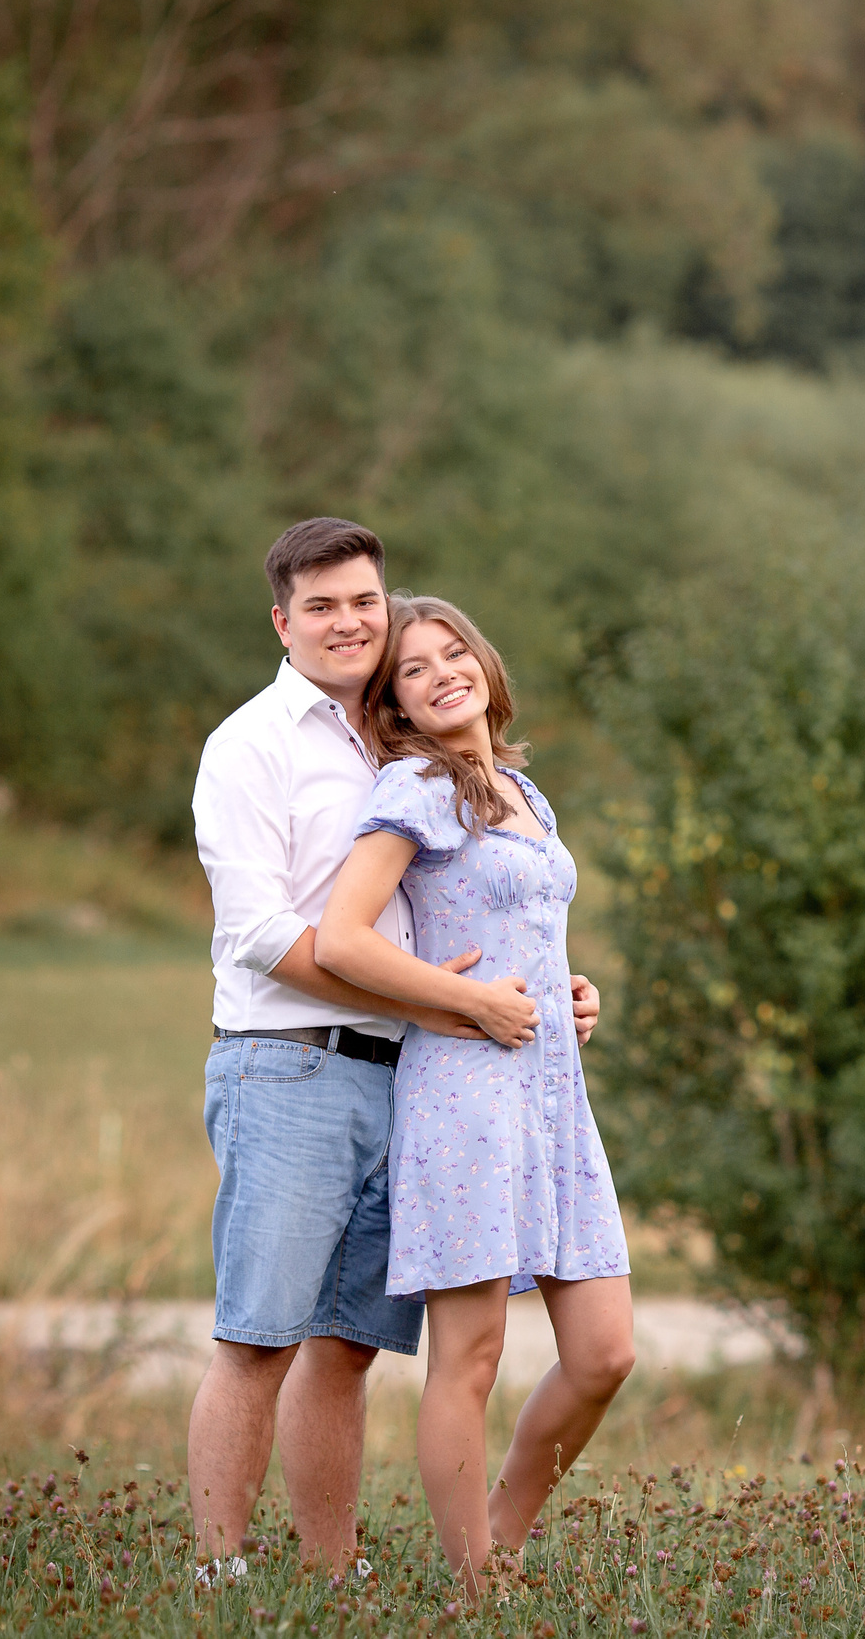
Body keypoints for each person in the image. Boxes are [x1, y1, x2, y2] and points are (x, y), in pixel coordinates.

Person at [186, 519, 599, 1576]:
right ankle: (216, 1569)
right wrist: (446, 1009)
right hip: (293, 1063)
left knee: (348, 1347)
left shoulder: (393, 738)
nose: (348, 621)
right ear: (282, 621)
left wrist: (545, 992)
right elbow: (265, 937)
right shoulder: (253, 744)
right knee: (260, 1335)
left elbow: (457, 905)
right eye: (320, 606)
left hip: (411, 1083)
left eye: (362, 601)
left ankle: (331, 1570)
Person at [316, 593, 634, 1597]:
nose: (442, 671)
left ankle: (500, 1535)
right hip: (464, 1097)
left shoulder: (526, 796)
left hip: (551, 1097)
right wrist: (464, 1001)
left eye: (454, 652)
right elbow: (343, 938)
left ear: (485, 666)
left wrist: (570, 991)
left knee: (604, 1353)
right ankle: (477, 1585)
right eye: (414, 667)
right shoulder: (415, 791)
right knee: (472, 1355)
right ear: (397, 706)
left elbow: (527, 928)